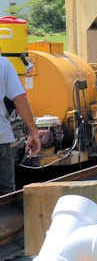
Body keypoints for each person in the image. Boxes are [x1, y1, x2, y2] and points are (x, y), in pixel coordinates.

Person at [0, 56, 40, 194]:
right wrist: (33, 132)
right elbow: (19, 99)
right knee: (5, 193)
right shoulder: (3, 64)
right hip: (1, 138)